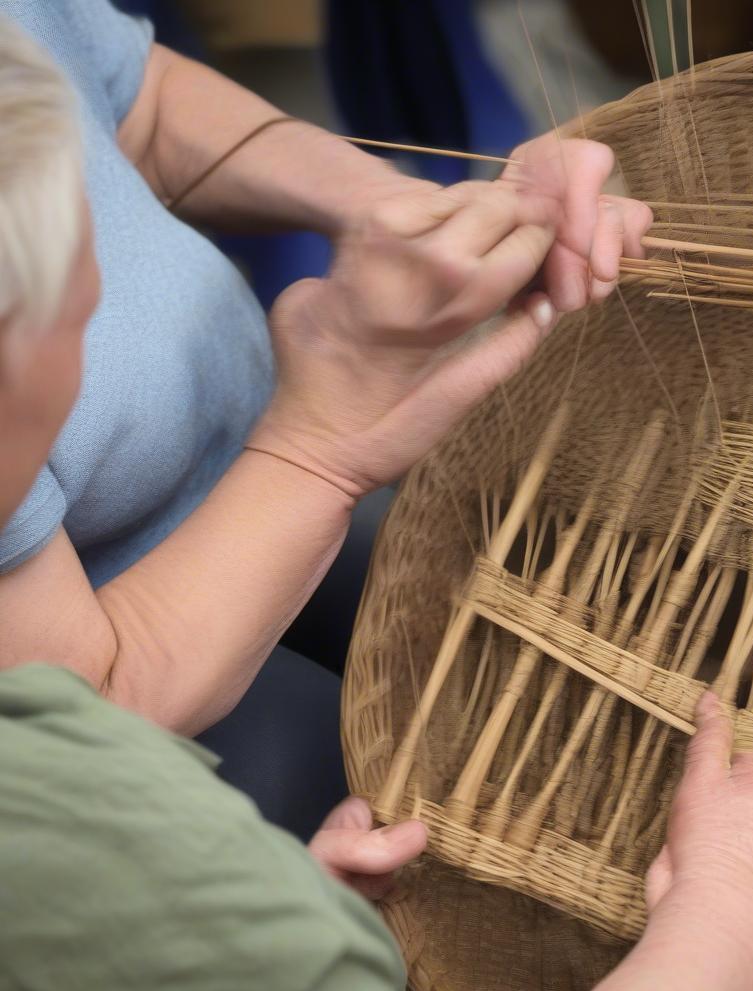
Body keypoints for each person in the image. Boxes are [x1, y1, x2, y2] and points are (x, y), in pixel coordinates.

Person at [0, 13, 753, 991]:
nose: (112, 272)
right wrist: (732, 917)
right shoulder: (142, 861)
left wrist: (406, 214)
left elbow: (129, 92)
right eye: (81, 291)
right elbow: (97, 704)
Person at [0, 0, 652, 838]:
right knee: (401, 795)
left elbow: (139, 99)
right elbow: (82, 713)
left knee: (536, 648)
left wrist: (414, 215)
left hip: (244, 452)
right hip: (117, 675)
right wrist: (321, 452)